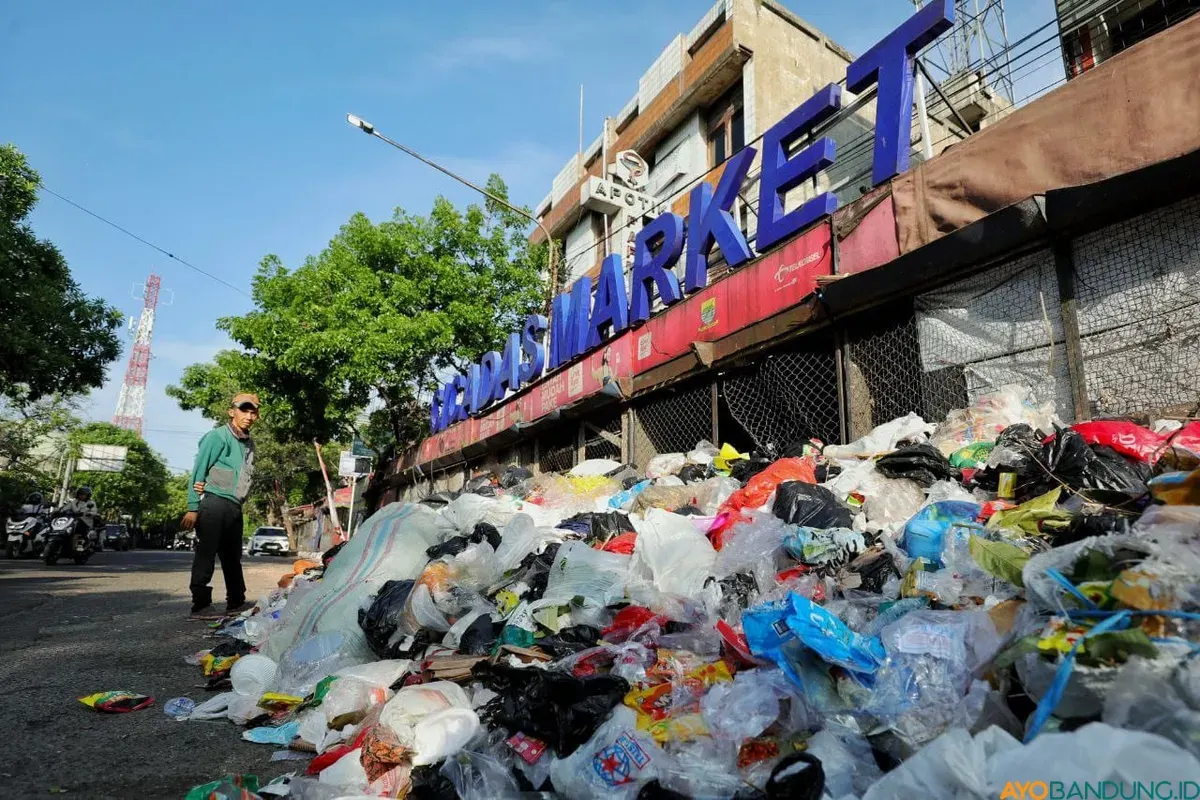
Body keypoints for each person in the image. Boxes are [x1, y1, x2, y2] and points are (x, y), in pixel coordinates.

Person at [181, 393, 258, 617]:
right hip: (213, 503)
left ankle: (236, 601)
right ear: (231, 411)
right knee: (207, 553)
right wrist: (192, 507)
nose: (249, 416)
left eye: (253, 412)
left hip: (234, 506)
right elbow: (198, 471)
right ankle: (200, 604)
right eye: (244, 410)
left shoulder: (249, 443)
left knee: (232, 556)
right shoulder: (217, 437)